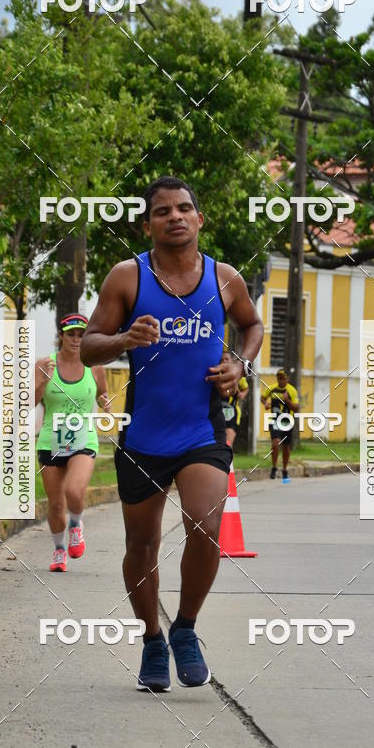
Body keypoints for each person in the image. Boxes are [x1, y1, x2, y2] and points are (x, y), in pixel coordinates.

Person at [80, 176, 263, 692]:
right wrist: (122, 339)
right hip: (143, 436)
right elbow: (90, 345)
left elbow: (252, 326)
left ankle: (185, 629)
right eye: (163, 211)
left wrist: (240, 364)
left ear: (199, 219)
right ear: (149, 224)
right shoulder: (126, 277)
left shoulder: (224, 279)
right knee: (142, 542)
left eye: (185, 208)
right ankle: (152, 640)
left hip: (202, 429)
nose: (176, 216)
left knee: (206, 525)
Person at [34, 313, 109, 573]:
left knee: (74, 491)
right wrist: (43, 380)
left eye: (81, 335)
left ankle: (76, 525)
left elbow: (101, 393)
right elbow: (28, 403)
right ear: (61, 337)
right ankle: (59, 549)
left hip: (83, 438)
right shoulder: (45, 364)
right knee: (55, 505)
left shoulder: (95, 366)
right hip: (50, 440)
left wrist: (105, 403)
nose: (76, 340)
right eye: (71, 334)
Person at [261, 368, 299, 482]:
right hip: (274, 420)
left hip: (287, 421)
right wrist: (266, 403)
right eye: (279, 378)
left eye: (283, 378)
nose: (281, 380)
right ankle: (274, 467)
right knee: (275, 443)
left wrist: (287, 400)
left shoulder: (292, 391)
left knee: (286, 447)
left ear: (287, 379)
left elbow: (296, 408)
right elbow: (262, 397)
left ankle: (285, 469)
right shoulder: (272, 389)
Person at [221, 359, 249, 448]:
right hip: (217, 414)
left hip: (232, 414)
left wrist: (241, 394)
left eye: (227, 359)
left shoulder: (237, 375)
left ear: (231, 361)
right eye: (222, 360)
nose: (224, 361)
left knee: (228, 443)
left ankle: (229, 461)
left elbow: (246, 389)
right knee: (218, 444)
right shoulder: (215, 375)